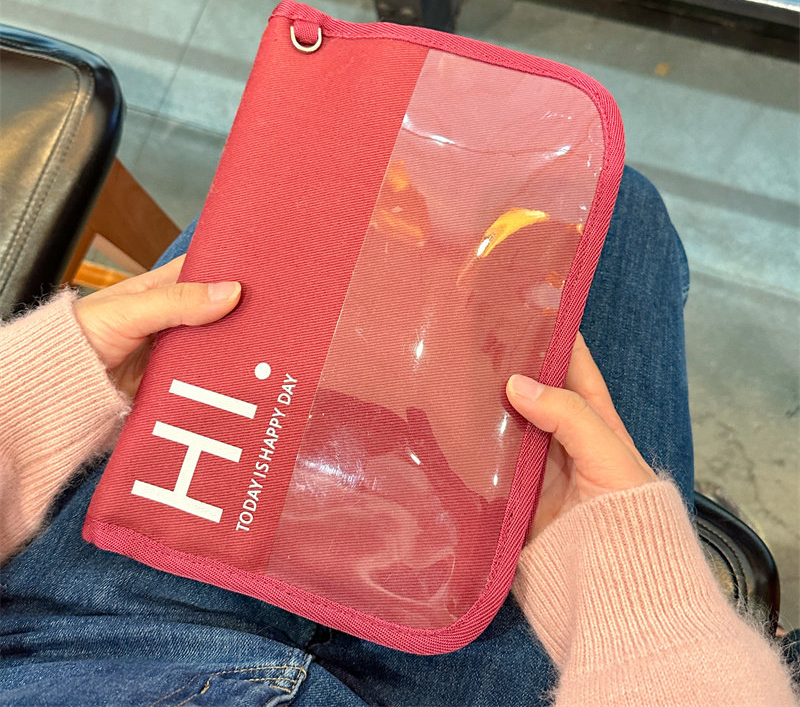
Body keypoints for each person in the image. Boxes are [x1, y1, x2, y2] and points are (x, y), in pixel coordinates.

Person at [0, 168, 796, 706]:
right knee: (610, 205)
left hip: (82, 637)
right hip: (465, 671)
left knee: (327, 181)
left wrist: (32, 396)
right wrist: (644, 611)